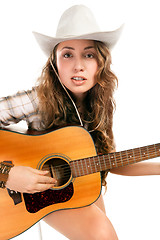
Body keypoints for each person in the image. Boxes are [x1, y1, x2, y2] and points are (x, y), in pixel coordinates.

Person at [0, 5, 159, 240]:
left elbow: (106, 161)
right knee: (101, 233)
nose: (78, 65)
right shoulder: (37, 100)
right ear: (54, 63)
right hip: (26, 195)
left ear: (101, 62)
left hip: (75, 185)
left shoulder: (99, 103)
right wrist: (7, 174)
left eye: (88, 54)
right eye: (67, 54)